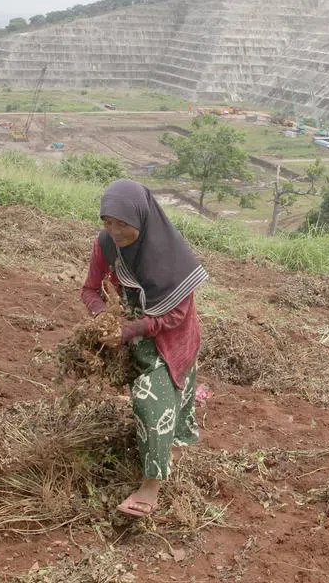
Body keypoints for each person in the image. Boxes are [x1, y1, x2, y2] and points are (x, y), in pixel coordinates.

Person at [80, 179, 209, 518]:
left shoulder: (171, 256)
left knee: (151, 401)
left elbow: (176, 315)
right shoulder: (106, 244)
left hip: (171, 336)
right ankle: (166, 444)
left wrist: (128, 329)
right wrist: (106, 319)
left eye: (123, 223)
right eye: (108, 222)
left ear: (141, 217)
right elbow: (90, 291)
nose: (115, 230)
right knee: (153, 396)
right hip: (129, 332)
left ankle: (150, 486)